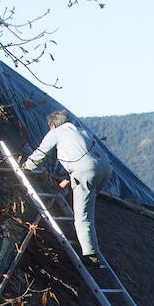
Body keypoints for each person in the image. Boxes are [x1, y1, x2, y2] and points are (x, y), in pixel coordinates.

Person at [23, 110, 113, 264]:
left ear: (53, 125)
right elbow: (86, 158)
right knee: (88, 203)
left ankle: (90, 254)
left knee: (82, 216)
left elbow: (41, 152)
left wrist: (26, 166)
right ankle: (92, 245)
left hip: (86, 170)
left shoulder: (56, 132)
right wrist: (66, 182)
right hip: (106, 169)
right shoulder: (83, 132)